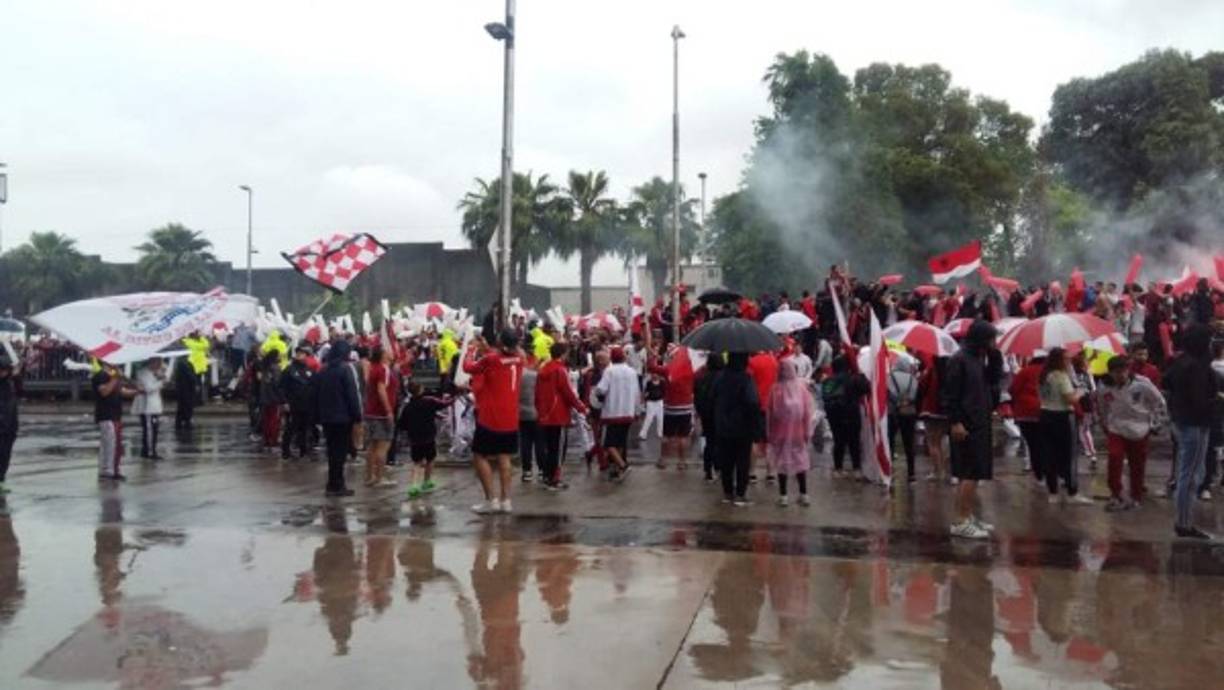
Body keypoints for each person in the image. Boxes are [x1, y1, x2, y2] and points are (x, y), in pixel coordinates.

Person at [942, 320, 1000, 539]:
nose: (995, 343)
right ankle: (961, 520)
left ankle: (967, 515)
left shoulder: (979, 358)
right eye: (992, 338)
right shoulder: (960, 360)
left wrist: (995, 358)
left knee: (975, 474)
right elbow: (950, 394)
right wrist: (955, 421)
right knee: (969, 472)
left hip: (979, 420)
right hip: (966, 423)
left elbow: (992, 382)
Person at [1163, 324, 1220, 539]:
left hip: (1184, 422)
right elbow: (1199, 401)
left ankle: (1184, 520)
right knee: (1191, 475)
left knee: (1193, 472)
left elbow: (1166, 381)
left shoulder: (1181, 361)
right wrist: (1216, 400)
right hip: (1195, 424)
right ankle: (1184, 523)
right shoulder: (1196, 366)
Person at [464, 330, 525, 514]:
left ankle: (491, 499)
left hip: (491, 417)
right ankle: (506, 500)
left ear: (501, 343)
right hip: (511, 417)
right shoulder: (520, 359)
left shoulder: (491, 360)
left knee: (479, 455)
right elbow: (502, 357)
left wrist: (470, 350)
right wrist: (487, 347)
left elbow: (468, 367)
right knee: (504, 457)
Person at [1096, 355, 1166, 511]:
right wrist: (1104, 423)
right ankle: (1116, 493)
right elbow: (1102, 407)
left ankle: (1135, 496)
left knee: (1137, 465)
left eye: (1123, 371)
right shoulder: (1104, 387)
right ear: (1110, 373)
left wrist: (1155, 423)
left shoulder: (1142, 384)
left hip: (1140, 427)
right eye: (1116, 372)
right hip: (1117, 427)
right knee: (1114, 458)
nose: (1120, 375)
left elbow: (1159, 402)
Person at [1038, 347, 1092, 505]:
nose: (1069, 361)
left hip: (1045, 414)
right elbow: (1070, 399)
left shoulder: (1044, 375)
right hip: (1062, 416)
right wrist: (1081, 392)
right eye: (1066, 358)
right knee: (1068, 456)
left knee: (1049, 455)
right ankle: (1072, 491)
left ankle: (1052, 491)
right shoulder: (1061, 376)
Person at [535, 342, 588, 490]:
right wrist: (582, 408)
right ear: (563, 354)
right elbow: (568, 393)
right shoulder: (560, 370)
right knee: (557, 450)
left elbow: (537, 393)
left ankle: (547, 475)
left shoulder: (543, 369)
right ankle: (554, 479)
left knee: (549, 447)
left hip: (545, 413)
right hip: (558, 415)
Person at [314, 340, 362, 498]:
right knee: (340, 453)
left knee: (332, 450)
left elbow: (316, 393)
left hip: (327, 417)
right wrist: (357, 415)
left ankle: (332, 483)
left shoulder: (323, 370)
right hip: (342, 417)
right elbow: (352, 394)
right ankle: (337, 484)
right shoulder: (345, 370)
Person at [714, 352, 762, 505]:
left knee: (726, 460)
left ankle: (727, 493)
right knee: (742, 461)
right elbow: (752, 402)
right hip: (742, 426)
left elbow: (712, 396)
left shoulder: (720, 378)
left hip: (722, 425)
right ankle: (741, 493)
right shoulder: (746, 379)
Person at [768, 358, 814, 506]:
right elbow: (808, 413)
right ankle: (804, 493)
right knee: (800, 460)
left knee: (782, 462)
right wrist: (807, 432)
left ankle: (783, 496)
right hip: (798, 433)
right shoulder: (801, 389)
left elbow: (770, 413)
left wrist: (769, 432)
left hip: (779, 432)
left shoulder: (775, 389)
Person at [594, 347, 639, 481]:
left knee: (608, 444)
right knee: (619, 442)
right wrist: (637, 410)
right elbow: (637, 393)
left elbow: (601, 389)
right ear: (624, 357)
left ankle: (623, 466)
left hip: (612, 413)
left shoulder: (610, 371)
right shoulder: (632, 372)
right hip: (628, 412)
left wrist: (597, 395)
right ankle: (617, 471)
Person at [401, 381, 452, 499]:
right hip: (428, 436)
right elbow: (444, 404)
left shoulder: (408, 407)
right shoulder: (429, 402)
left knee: (416, 462)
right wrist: (456, 397)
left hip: (414, 438)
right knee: (430, 459)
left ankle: (414, 485)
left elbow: (402, 424)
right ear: (420, 390)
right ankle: (426, 481)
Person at [821, 355, 869, 480]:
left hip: (835, 416)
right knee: (854, 442)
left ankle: (838, 468)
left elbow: (825, 397)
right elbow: (866, 389)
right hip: (852, 414)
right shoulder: (854, 379)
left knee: (838, 442)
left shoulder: (828, 381)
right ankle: (856, 469)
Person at [92, 361, 134, 482]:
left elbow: (121, 391)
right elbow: (104, 391)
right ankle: (108, 471)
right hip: (106, 415)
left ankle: (113, 469)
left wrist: (136, 392)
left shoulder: (112, 376)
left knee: (116, 445)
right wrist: (115, 378)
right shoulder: (100, 375)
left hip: (115, 415)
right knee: (110, 445)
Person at [363, 347, 398, 488]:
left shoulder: (374, 368)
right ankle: (379, 478)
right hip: (381, 414)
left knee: (372, 446)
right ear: (383, 355)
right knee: (382, 446)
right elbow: (381, 389)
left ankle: (370, 476)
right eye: (388, 351)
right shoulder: (383, 370)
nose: (391, 352)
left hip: (371, 412)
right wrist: (388, 410)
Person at [1009, 351, 1046, 483]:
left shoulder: (1024, 372)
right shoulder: (1051, 372)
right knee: (1046, 443)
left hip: (1025, 413)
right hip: (1046, 411)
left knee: (1033, 444)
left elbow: (1013, 389)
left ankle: (1038, 473)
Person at [887, 356, 920, 483]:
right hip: (909, 413)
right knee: (909, 443)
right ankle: (911, 474)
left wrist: (897, 403)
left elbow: (888, 393)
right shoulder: (913, 379)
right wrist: (907, 402)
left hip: (893, 412)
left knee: (890, 442)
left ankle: (889, 471)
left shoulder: (890, 377)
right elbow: (915, 395)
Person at [279, 346, 316, 460]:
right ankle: (285, 452)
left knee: (304, 429)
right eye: (298, 353)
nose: (300, 355)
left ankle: (303, 451)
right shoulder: (289, 369)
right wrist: (284, 402)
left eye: (303, 353)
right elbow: (281, 387)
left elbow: (313, 386)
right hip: (292, 404)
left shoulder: (309, 370)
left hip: (306, 404)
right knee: (291, 428)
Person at [694, 353, 724, 483]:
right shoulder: (723, 378)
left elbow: (697, 397)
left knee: (709, 442)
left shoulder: (702, 378)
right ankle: (719, 467)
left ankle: (708, 470)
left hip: (706, 414)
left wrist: (701, 412)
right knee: (720, 443)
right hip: (720, 415)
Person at [132, 358, 167, 460]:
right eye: (159, 362)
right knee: (150, 430)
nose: (160, 365)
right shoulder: (144, 373)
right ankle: (149, 451)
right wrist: (160, 383)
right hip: (148, 407)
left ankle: (149, 449)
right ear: (153, 362)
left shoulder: (155, 372)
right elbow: (148, 388)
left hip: (153, 406)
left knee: (153, 430)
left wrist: (161, 376)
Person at [258, 351, 285, 453]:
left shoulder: (265, 368)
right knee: (274, 421)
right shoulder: (276, 368)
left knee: (267, 420)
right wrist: (283, 399)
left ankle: (267, 440)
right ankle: (273, 441)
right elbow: (278, 385)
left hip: (265, 398)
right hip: (274, 398)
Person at [0, 353, 19, 494]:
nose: (3, 372)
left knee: (5, 454)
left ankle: (1, 479)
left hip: (10, 426)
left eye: (5, 369)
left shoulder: (10, 384)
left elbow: (20, 393)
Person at [172, 354, 198, 431]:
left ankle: (180, 422)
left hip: (183, 388)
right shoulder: (183, 364)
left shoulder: (182, 363)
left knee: (182, 406)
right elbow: (190, 375)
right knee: (186, 405)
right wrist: (195, 383)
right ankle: (186, 421)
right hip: (185, 388)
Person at [639, 372, 665, 444]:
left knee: (660, 418)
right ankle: (643, 434)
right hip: (651, 402)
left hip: (659, 402)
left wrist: (664, 400)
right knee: (649, 418)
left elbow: (664, 392)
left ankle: (660, 433)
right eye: (653, 374)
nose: (654, 375)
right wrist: (643, 399)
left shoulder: (662, 382)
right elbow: (646, 392)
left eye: (656, 374)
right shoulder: (649, 383)